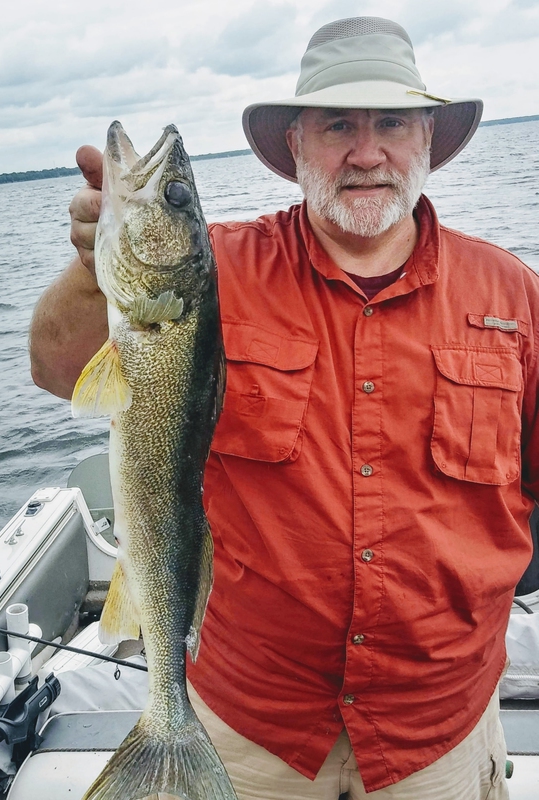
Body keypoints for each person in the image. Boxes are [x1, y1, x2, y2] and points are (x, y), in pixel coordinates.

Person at [29, 16, 539, 800]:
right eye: (336, 125)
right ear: (296, 144)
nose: (364, 153)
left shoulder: (512, 294)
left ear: (426, 139)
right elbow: (57, 370)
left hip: (436, 731)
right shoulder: (213, 267)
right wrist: (94, 261)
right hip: (248, 724)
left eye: (390, 124)